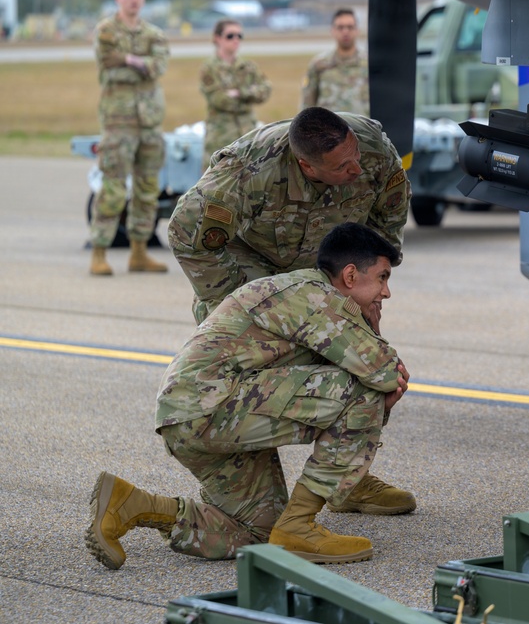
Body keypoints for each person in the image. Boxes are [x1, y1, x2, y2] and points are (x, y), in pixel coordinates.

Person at [86, 222, 414, 570]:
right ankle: (299, 526)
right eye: (382, 277)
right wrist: (374, 332)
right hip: (211, 407)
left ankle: (132, 504)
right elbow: (384, 372)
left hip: (192, 416)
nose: (386, 292)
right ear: (350, 275)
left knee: (260, 532)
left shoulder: (304, 292)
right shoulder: (316, 296)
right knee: (361, 391)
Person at [168, 106, 410, 324]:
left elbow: (389, 217)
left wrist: (369, 282)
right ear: (307, 166)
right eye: (341, 166)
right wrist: (234, 301)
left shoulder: (375, 150)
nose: (357, 169)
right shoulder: (250, 171)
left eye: (355, 154)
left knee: (343, 340)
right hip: (254, 258)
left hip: (324, 263)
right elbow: (186, 231)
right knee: (254, 338)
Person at [89, 0, 170, 276]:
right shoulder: (106, 31)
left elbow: (159, 67)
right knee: (112, 187)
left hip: (149, 122)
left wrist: (129, 61)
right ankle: (99, 250)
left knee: (148, 189)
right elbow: (108, 61)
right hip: (118, 122)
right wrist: (141, 63)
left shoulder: (154, 33)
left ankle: (139, 252)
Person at [199, 19, 272, 170]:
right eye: (230, 36)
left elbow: (265, 90)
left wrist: (240, 93)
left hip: (248, 136)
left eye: (239, 36)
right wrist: (250, 95)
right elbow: (219, 100)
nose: (236, 39)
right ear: (217, 38)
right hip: (221, 137)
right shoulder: (209, 68)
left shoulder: (248, 67)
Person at [300, 8, 369, 115]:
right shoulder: (319, 64)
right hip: (328, 130)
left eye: (350, 27)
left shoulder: (368, 64)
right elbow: (307, 104)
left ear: (357, 30)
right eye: (340, 27)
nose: (345, 31)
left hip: (362, 129)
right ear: (332, 30)